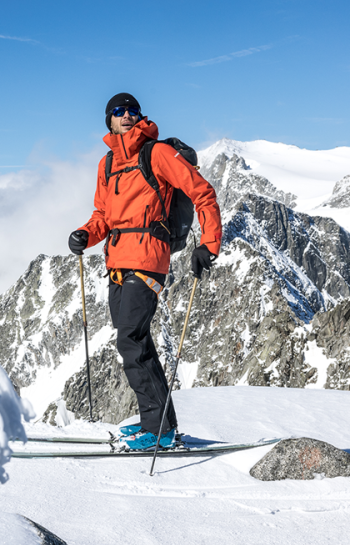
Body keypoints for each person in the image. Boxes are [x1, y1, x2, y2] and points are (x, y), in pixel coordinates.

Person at [68, 92, 222, 450]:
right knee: (134, 342)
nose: (126, 115)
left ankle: (160, 431)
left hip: (149, 257)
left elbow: (202, 192)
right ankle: (157, 420)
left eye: (132, 110)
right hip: (117, 260)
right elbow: (103, 217)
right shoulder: (107, 165)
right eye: (118, 111)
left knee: (130, 339)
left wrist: (209, 244)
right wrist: (85, 235)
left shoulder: (157, 153)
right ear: (108, 120)